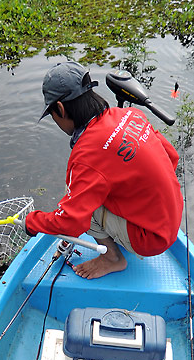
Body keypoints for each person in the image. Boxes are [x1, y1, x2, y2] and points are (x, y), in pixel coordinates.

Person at [22, 60, 183, 279]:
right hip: (172, 216)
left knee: (86, 208)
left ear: (59, 108)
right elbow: (172, 157)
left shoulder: (86, 155)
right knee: (100, 188)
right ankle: (126, 230)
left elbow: (71, 222)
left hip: (151, 239)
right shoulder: (128, 115)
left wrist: (32, 222)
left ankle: (113, 259)